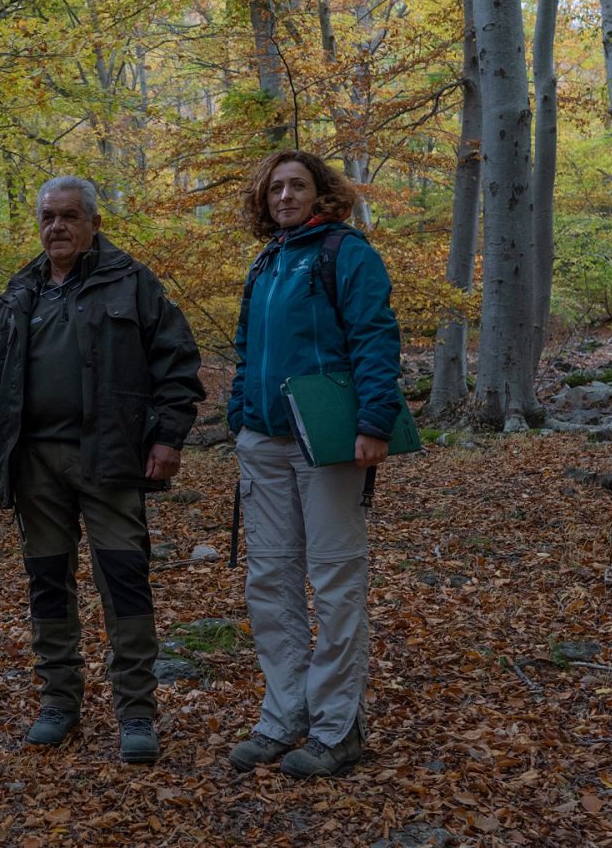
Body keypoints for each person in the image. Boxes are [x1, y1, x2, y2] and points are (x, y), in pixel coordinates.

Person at [0, 176, 204, 765]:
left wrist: (168, 436)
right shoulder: (20, 292)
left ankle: (137, 711)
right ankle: (58, 701)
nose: (58, 227)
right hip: (33, 464)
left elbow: (178, 363)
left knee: (123, 578)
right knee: (48, 580)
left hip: (111, 458)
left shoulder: (133, 282)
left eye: (70, 216)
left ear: (94, 223)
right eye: (48, 217)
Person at [225, 150, 402, 779]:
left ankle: (336, 728)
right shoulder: (267, 261)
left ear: (322, 193)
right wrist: (239, 411)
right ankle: (284, 716)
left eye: (297, 185)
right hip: (264, 442)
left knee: (334, 582)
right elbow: (246, 347)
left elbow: (376, 337)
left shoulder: (346, 254)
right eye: (275, 187)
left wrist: (374, 422)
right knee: (270, 583)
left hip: (327, 441)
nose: (284, 196)